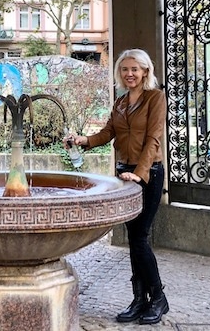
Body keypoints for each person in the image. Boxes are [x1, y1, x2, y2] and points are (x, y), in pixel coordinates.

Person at [65, 48, 168, 325]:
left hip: (148, 174)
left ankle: (158, 299)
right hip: (124, 174)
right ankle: (139, 299)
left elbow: (154, 138)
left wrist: (140, 173)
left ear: (145, 71)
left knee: (139, 237)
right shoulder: (121, 102)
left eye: (135, 69)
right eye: (125, 69)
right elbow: (107, 133)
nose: (130, 74)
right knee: (135, 238)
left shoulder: (155, 98)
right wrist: (82, 141)